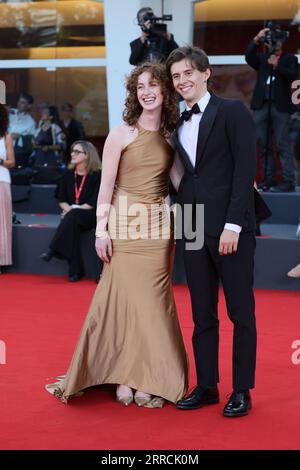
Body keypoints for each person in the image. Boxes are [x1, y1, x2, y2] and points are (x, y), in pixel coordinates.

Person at [45, 62, 188, 407]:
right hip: (123, 224)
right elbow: (105, 187)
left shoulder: (171, 135)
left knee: (152, 304)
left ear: (165, 91)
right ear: (134, 94)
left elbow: (182, 184)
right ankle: (124, 374)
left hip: (157, 228)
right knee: (123, 301)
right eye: (140, 87)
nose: (147, 92)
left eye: (153, 85)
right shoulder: (120, 133)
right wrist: (100, 231)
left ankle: (149, 375)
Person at [166, 46, 257, 417]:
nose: (182, 81)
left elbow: (244, 169)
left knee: (240, 313)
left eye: (188, 73)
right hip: (190, 224)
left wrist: (233, 224)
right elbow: (182, 175)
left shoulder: (233, 111)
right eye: (175, 76)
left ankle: (241, 390)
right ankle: (206, 385)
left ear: (206, 73)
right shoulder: (176, 122)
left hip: (230, 226)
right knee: (202, 312)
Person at [245, 27, 298, 192]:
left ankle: (288, 181)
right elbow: (248, 57)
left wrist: (277, 65)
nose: (275, 44)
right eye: (272, 42)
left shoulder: (290, 58)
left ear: (282, 42)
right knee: (263, 144)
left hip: (280, 106)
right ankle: (268, 180)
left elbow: (291, 75)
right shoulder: (262, 58)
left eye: (277, 41)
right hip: (262, 105)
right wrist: (256, 39)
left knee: (282, 144)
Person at [40, 140, 101, 281]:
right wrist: (70, 210)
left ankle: (53, 250)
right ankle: (75, 271)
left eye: (77, 151)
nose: (72, 154)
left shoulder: (97, 175)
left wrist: (71, 211)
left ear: (87, 155)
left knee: (71, 218)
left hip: (91, 215)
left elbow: (93, 203)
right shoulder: (67, 175)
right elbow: (61, 199)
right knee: (72, 223)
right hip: (73, 216)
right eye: (72, 151)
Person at [0, 104, 15, 273]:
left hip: (2, 180)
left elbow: (12, 162)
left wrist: (0, 161)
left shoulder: (6, 136)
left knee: (2, 221)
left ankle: (1, 260)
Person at [8, 93, 36, 167]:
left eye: (23, 103)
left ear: (29, 106)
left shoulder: (30, 122)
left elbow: (32, 141)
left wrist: (20, 137)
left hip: (17, 153)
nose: (19, 104)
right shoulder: (10, 112)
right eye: (19, 101)